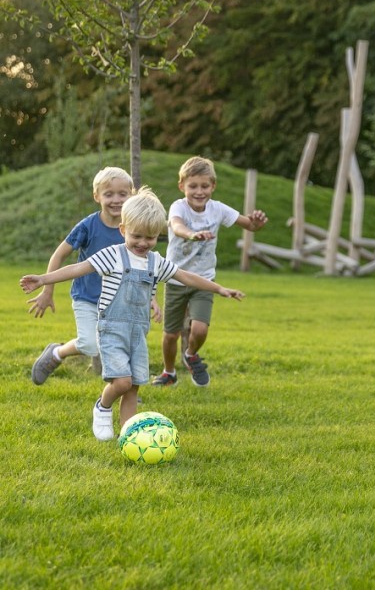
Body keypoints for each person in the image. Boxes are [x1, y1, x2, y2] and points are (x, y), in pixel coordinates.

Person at [20, 188, 245, 441]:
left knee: (134, 387)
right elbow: (78, 268)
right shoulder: (112, 255)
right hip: (112, 331)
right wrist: (44, 279)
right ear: (123, 230)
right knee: (122, 382)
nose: (142, 243)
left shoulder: (155, 262)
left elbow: (186, 277)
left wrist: (219, 288)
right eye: (136, 236)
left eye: (150, 238)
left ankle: (128, 435)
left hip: (138, 333)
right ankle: (103, 406)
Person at [26, 166, 161, 385]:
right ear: (97, 196)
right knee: (90, 344)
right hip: (87, 297)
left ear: (131, 195)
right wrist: (47, 291)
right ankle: (57, 353)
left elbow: (143, 268)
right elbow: (59, 255)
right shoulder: (88, 226)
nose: (116, 200)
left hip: (119, 302)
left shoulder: (135, 230)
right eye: (109, 194)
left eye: (122, 194)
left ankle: (124, 391)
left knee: (123, 345)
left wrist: (151, 298)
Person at [151, 156, 267, 388]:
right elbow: (177, 226)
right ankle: (169, 372)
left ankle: (190, 354)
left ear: (213, 186)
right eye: (193, 186)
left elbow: (248, 225)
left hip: (203, 281)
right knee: (171, 334)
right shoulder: (178, 207)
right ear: (182, 186)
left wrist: (256, 223)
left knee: (200, 328)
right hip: (176, 278)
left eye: (204, 186)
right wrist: (192, 235)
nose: (199, 191)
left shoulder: (218, 209)